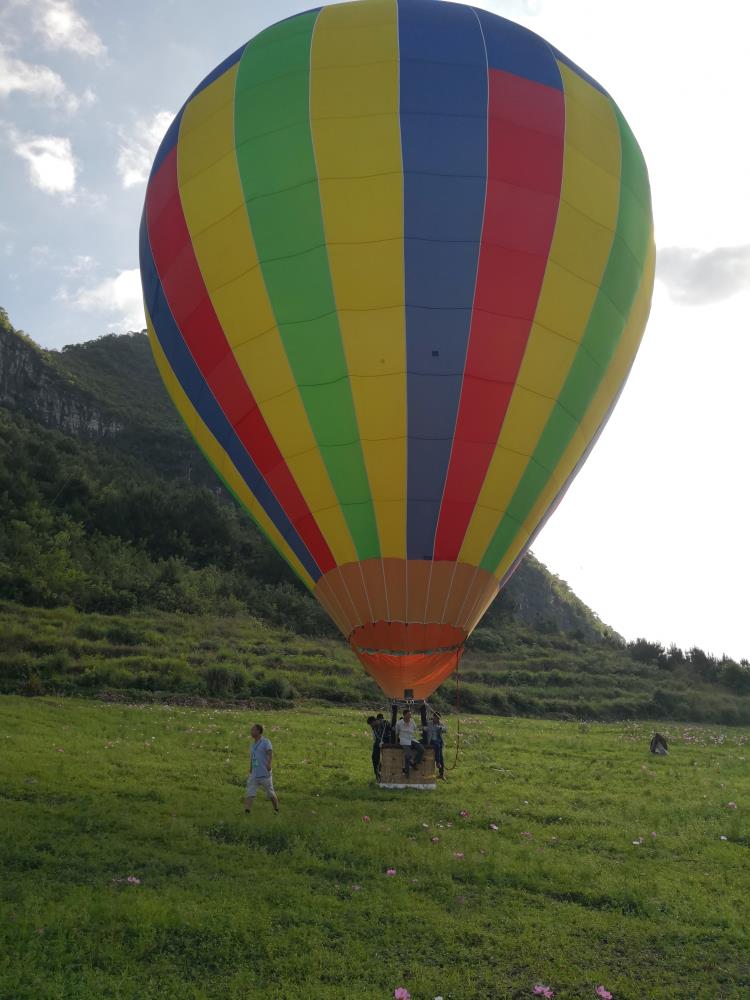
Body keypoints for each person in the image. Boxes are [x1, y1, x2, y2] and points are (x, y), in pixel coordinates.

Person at [244, 723, 279, 814]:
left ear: (258, 731)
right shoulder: (252, 745)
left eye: (253, 730)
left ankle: (276, 810)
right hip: (255, 773)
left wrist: (269, 764)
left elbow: (270, 753)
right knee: (250, 792)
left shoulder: (266, 742)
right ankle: (247, 811)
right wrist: (251, 768)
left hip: (264, 773)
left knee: (270, 793)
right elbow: (253, 757)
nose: (251, 732)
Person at [395, 708, 424, 775]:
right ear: (404, 715)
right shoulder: (399, 723)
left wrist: (422, 728)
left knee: (422, 749)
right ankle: (406, 771)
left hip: (412, 739)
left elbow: (416, 728)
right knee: (408, 755)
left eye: (410, 715)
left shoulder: (412, 721)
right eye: (409, 715)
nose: (410, 716)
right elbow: (396, 733)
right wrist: (396, 742)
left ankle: (414, 763)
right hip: (404, 740)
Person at [424, 711, 447, 780]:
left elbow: (446, 729)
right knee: (437, 746)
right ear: (433, 717)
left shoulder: (440, 724)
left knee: (441, 757)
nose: (437, 719)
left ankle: (441, 774)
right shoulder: (429, 723)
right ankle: (437, 762)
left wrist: (441, 728)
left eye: (438, 718)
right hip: (431, 741)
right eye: (436, 718)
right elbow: (423, 728)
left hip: (439, 742)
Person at [367, 714, 388, 780]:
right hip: (378, 742)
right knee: (374, 758)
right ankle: (377, 774)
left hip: (387, 741)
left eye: (371, 724)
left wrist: (384, 741)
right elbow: (377, 736)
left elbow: (392, 730)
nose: (371, 726)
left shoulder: (384, 723)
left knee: (385, 759)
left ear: (374, 721)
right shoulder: (374, 727)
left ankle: (382, 771)